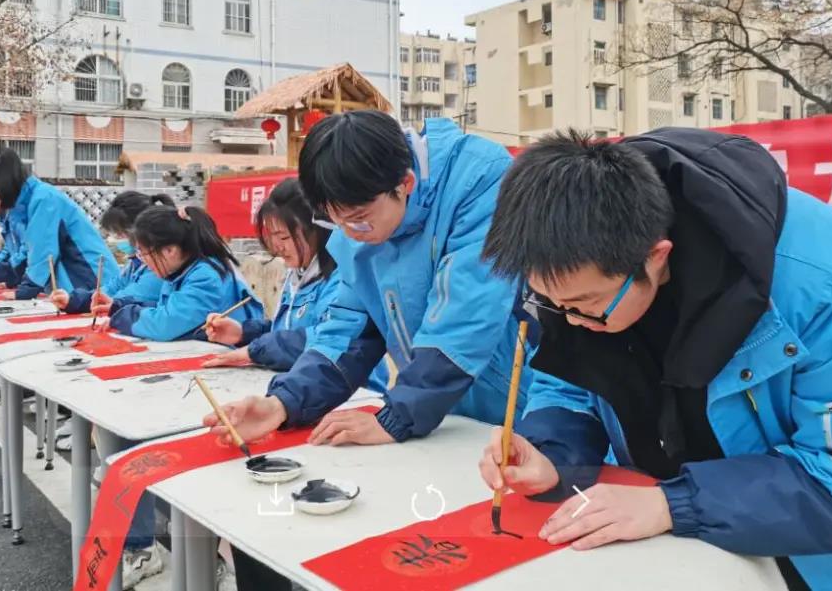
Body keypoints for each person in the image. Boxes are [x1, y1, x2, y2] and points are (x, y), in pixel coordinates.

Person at [477, 128, 832, 591]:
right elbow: (570, 377)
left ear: (656, 258)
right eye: (552, 304)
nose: (571, 321)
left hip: (822, 561)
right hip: (677, 546)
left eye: (585, 305)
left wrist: (673, 505)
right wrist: (552, 453)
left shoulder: (827, 281)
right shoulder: (573, 266)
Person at [203, 112, 577, 450]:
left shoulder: (477, 178)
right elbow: (344, 331)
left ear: (406, 183)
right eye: (337, 220)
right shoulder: (354, 232)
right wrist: (282, 403)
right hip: (439, 419)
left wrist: (397, 416)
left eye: (360, 217)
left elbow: (467, 315)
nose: (351, 232)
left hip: (522, 405)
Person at [203, 178, 340, 371]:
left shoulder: (341, 280)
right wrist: (243, 333)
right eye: (272, 237)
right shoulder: (297, 275)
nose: (277, 247)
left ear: (317, 230)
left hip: (354, 393)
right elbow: (285, 331)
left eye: (284, 237)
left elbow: (325, 340)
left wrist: (256, 350)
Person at [0, 149, 116, 300]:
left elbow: (43, 252)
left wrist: (25, 289)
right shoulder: (22, 208)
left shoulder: (43, 199)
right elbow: (24, 256)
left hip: (92, 277)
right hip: (77, 284)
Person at [101, 205, 263, 340]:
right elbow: (168, 308)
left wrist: (123, 316)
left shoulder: (205, 276)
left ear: (170, 250)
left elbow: (166, 325)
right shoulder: (181, 271)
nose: (143, 261)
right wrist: (118, 307)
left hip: (229, 355)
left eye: (144, 253)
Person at [47, 191, 168, 314]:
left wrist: (98, 303)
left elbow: (131, 298)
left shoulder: (161, 265)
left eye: (121, 234)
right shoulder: (136, 262)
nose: (115, 239)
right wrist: (73, 300)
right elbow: (111, 288)